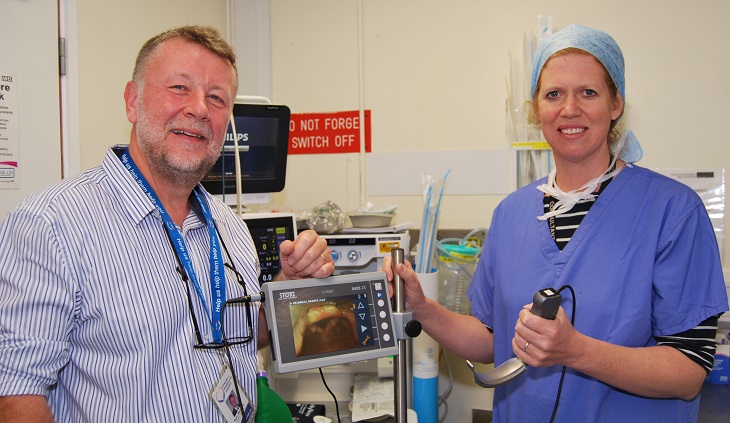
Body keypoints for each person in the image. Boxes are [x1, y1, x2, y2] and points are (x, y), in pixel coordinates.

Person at [384, 24, 728, 422]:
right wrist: (422, 308)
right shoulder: (511, 214)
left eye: (588, 92)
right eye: (553, 95)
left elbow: (688, 372)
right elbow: (492, 340)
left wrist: (575, 350)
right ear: (537, 110)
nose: (569, 109)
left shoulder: (672, 211)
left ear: (616, 104)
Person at [0, 25, 334, 422]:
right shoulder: (51, 226)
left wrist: (286, 287)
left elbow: (241, 337)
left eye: (216, 97)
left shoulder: (229, 227)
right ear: (132, 101)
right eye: (179, 88)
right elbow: (17, 395)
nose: (199, 109)